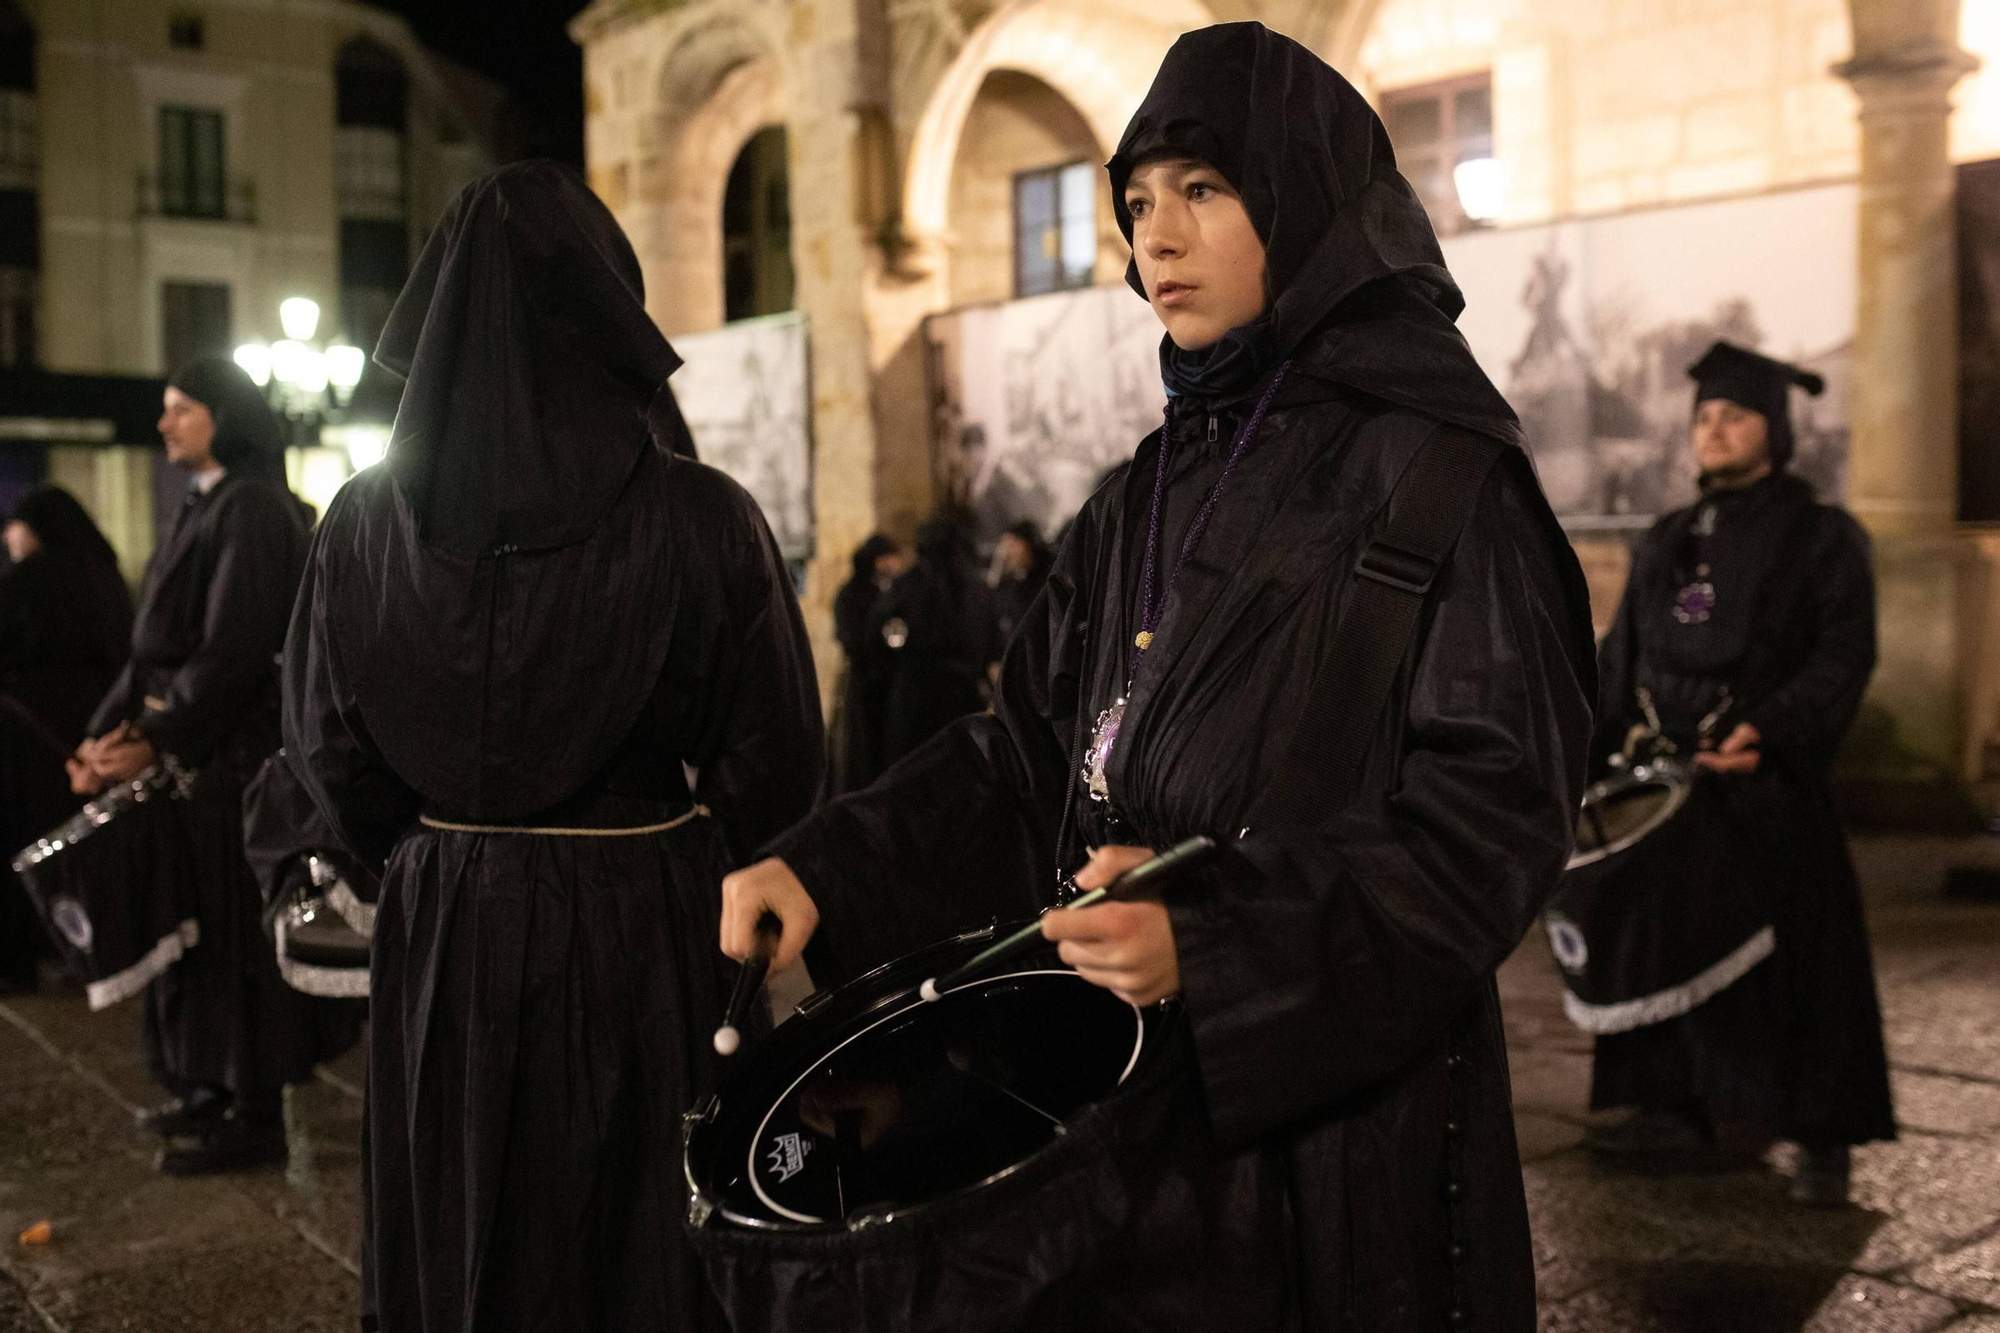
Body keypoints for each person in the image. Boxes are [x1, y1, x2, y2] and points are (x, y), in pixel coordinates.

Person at [721, 24, 1596, 1331]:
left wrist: (1219, 939)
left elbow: (1490, 832)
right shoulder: (1141, 494)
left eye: (1202, 189)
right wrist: (826, 867)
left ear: (1303, 205)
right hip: (1120, 1112)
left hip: (1332, 1139)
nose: (1157, 238)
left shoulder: (1445, 479)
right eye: (1136, 202)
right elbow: (1019, 755)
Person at [281, 162, 822, 1333]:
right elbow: (775, 757)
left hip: (446, 918)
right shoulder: (703, 516)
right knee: (636, 1243)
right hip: (642, 912)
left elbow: (328, 752)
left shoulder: (358, 528)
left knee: (460, 1214)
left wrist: (435, 854)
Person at [1582, 341, 1894, 1205]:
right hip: (1667, 784)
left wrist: (1771, 727)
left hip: (1764, 781)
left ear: (1777, 428)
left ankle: (1820, 1132)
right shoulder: (1667, 537)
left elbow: (1843, 650)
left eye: (1734, 415)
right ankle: (1669, 1107)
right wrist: (1593, 753)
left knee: (1800, 961)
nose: (1714, 431)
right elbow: (1623, 658)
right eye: (1704, 418)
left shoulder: (1824, 536)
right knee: (1667, 945)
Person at [71, 356, 327, 1175]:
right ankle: (208, 1086)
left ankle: (253, 1111)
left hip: (231, 769)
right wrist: (98, 733)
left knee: (232, 942)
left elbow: (232, 650)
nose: (164, 423)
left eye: (180, 409)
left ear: (222, 416)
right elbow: (151, 647)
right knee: (193, 937)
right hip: (195, 761)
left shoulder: (252, 510)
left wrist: (153, 738)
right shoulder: (204, 503)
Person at [0, 487, 132, 991]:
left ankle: (24, 953)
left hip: (24, 737)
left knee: (25, 845)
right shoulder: (104, 576)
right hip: (95, 730)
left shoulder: (28, 580)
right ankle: (90, 946)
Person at [868, 514, 1004, 768]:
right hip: (961, 697)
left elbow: (879, 634)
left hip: (914, 696)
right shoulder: (977, 589)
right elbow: (991, 644)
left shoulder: (907, 586)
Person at [826, 533, 903, 795]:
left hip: (888, 680)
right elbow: (852, 637)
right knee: (860, 749)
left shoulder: (891, 590)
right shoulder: (852, 594)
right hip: (862, 681)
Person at [992, 518, 1054, 644]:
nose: (1007, 552)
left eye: (1013, 544)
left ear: (1028, 544)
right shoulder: (1011, 583)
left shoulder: (1051, 575)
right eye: (1005, 545)